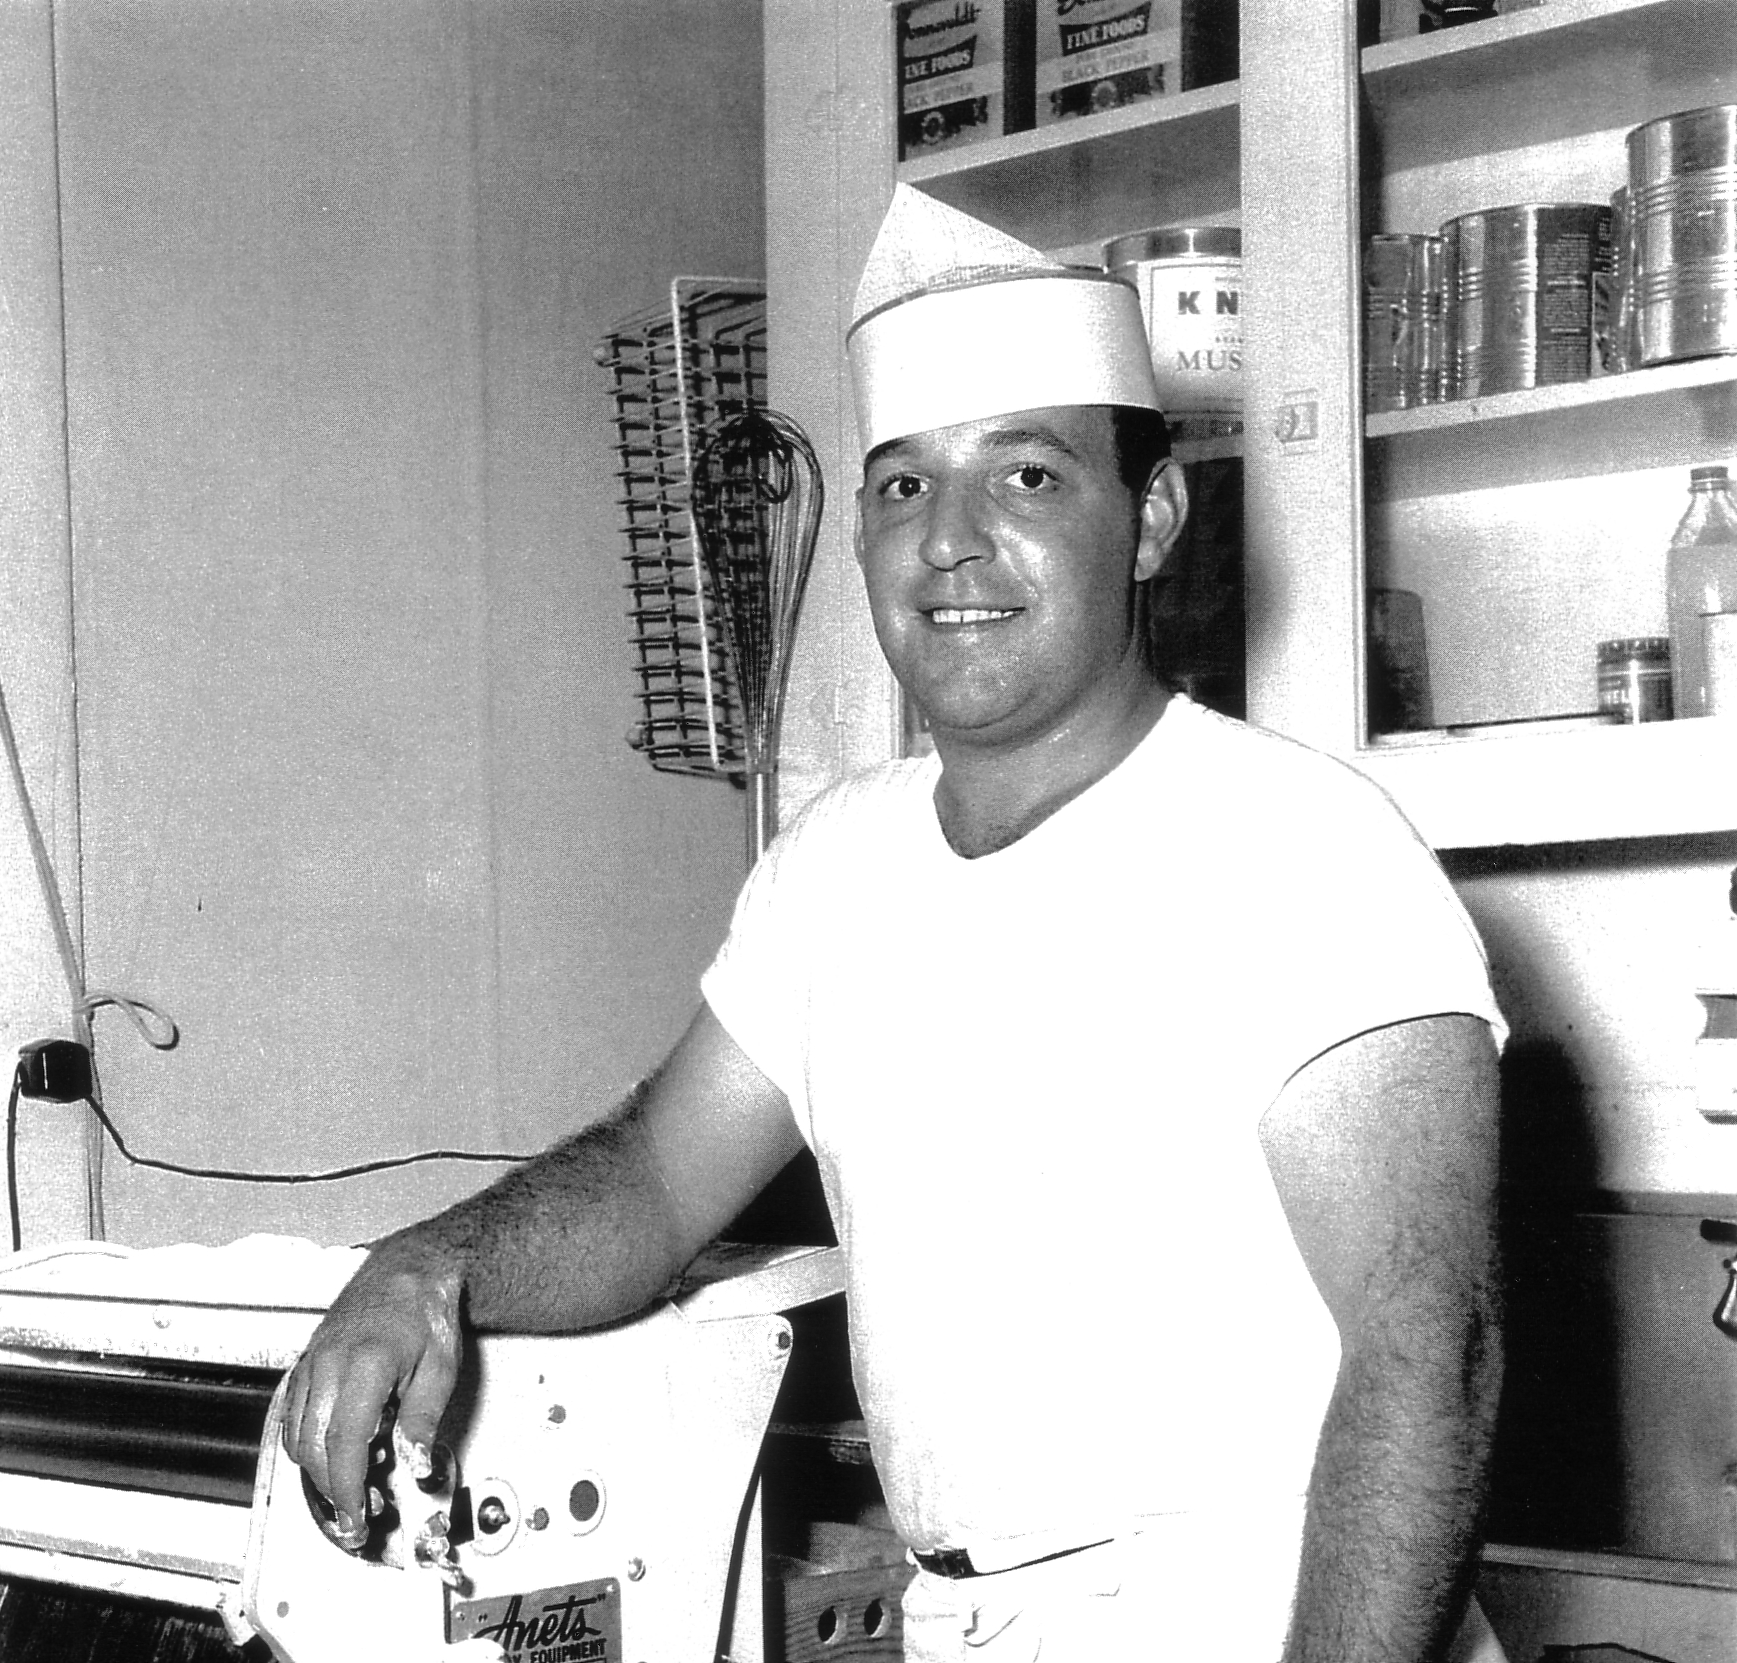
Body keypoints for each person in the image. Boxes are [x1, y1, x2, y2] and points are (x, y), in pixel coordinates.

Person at [284, 184, 1508, 1663]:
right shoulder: (834, 870)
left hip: (1256, 1609)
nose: (953, 542)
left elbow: (1425, 1352)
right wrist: (428, 1265)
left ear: (1152, 522)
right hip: (960, 1616)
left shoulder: (1297, 850)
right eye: (904, 486)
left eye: (1030, 479)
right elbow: (656, 1188)